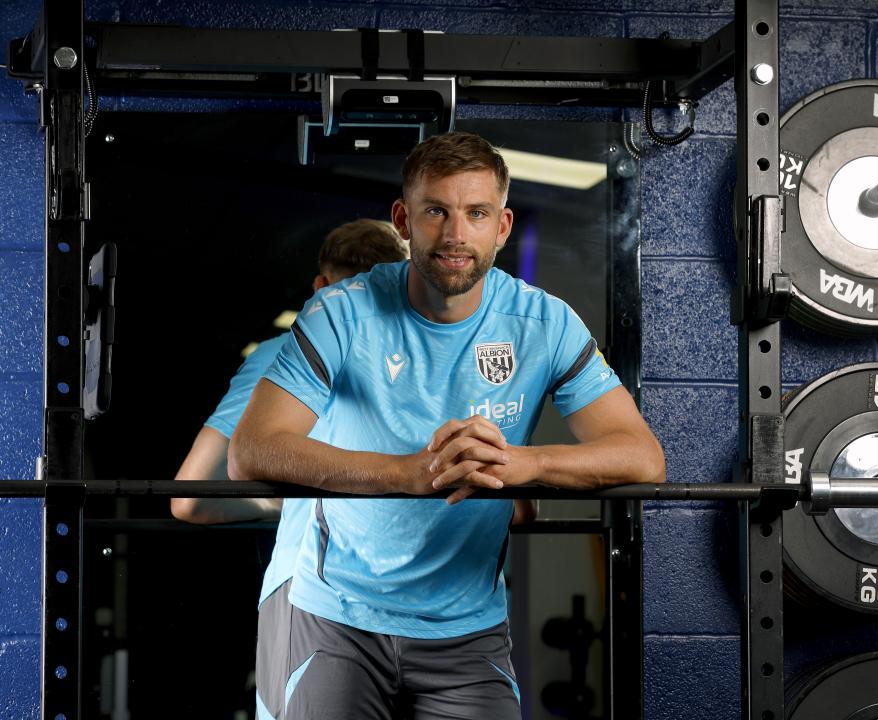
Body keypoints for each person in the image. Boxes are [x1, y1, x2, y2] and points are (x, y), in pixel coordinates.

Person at [229, 131, 666, 720]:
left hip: (467, 630)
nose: (456, 234)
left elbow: (641, 455)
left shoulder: (545, 323)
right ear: (404, 220)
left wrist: (522, 463)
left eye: (476, 213)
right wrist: (409, 475)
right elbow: (252, 450)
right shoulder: (341, 312)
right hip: (340, 615)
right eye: (436, 211)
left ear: (502, 227)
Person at [171, 218, 410, 720]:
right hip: (421, 598)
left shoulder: (286, 354)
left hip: (312, 595)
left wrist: (284, 502)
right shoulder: (429, 362)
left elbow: (190, 497)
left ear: (322, 286)